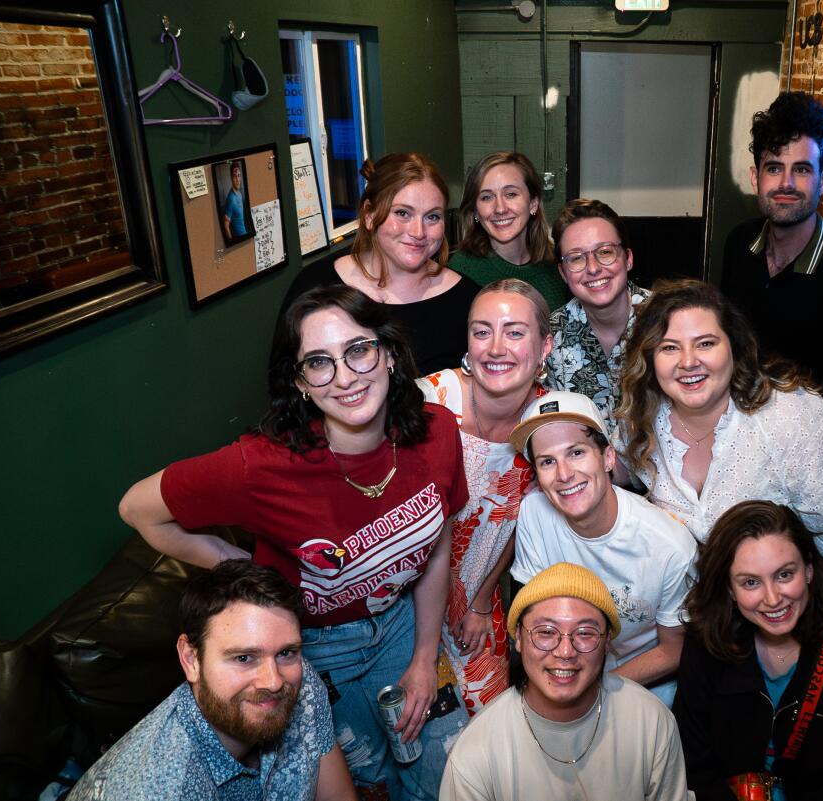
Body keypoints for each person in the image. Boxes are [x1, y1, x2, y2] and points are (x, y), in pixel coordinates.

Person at [119, 285, 470, 800]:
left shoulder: (437, 431)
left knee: (444, 773)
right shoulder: (262, 467)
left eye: (358, 349)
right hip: (316, 652)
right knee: (369, 782)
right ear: (301, 383)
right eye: (319, 362)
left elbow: (437, 548)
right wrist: (232, 563)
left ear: (389, 354)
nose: (346, 377)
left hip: (402, 624)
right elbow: (136, 509)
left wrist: (422, 656)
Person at [615, 278, 823, 586]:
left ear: (734, 346)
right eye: (670, 348)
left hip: (778, 611)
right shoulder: (642, 415)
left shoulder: (793, 420)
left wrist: (821, 619)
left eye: (705, 343)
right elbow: (617, 467)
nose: (688, 362)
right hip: (688, 611)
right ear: (650, 358)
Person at [68, 560, 356, 801]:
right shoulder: (162, 788)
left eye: (286, 652)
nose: (273, 681)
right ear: (191, 660)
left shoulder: (297, 679)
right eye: (244, 658)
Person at [673, 501, 823, 801]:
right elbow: (695, 767)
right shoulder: (706, 647)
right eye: (751, 582)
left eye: (784, 575)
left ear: (808, 569)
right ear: (729, 589)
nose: (772, 599)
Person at [439, 563, 688, 801]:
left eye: (585, 633)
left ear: (607, 642)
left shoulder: (650, 721)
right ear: (519, 638)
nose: (565, 651)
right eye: (546, 632)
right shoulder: (477, 751)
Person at [508, 391, 696, 705]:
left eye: (577, 452)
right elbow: (536, 620)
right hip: (564, 669)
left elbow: (674, 649)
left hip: (643, 682)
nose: (564, 474)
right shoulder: (534, 514)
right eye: (548, 461)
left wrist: (595, 688)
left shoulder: (670, 547)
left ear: (608, 458)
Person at [418, 279, 552, 716]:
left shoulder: (550, 421)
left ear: (545, 346)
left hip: (477, 600)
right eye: (481, 331)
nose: (496, 348)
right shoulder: (428, 403)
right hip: (403, 604)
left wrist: (480, 601)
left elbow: (525, 520)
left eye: (514, 332)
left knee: (489, 727)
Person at [720, 92, 823, 412]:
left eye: (801, 170)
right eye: (774, 168)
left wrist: (792, 441)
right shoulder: (738, 242)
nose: (786, 183)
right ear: (755, 178)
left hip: (805, 447)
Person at [282, 152, 479, 375]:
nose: (418, 232)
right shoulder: (316, 286)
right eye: (402, 213)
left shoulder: (467, 300)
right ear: (369, 215)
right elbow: (285, 386)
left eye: (432, 217)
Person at [545, 199, 651, 433]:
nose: (593, 268)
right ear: (563, 273)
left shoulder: (667, 321)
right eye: (576, 258)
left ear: (628, 258)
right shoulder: (550, 336)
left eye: (605, 252)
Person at [449, 152, 570, 310]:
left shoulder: (559, 266)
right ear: (476, 211)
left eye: (511, 194)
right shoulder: (460, 272)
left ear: (533, 203)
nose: (500, 208)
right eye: (486, 197)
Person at [222, 162, 248, 241]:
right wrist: (231, 241)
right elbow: (226, 224)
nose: (237, 179)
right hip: (239, 239)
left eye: (239, 176)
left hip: (245, 233)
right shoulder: (231, 199)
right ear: (231, 178)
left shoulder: (239, 193)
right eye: (234, 176)